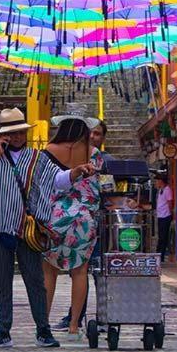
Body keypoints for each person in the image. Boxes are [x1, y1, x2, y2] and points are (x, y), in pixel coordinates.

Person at [0, 107, 94, 349]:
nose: (17, 137)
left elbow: (57, 180)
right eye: (12, 133)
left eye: (20, 132)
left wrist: (76, 172)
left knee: (35, 281)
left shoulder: (38, 157)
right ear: (3, 135)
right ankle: (2, 331)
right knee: (2, 282)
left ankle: (43, 330)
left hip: (28, 229)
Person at [42, 107, 102, 344]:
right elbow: (96, 188)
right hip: (83, 219)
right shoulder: (94, 153)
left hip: (54, 217)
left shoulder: (47, 151)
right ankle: (75, 326)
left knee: (49, 271)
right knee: (80, 272)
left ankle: (43, 322)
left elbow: (43, 185)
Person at [54, 119, 113, 333]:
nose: (93, 137)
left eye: (98, 134)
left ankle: (101, 317)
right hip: (80, 219)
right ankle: (74, 321)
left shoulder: (104, 160)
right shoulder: (85, 155)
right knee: (80, 271)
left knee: (54, 271)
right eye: (91, 133)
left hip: (75, 217)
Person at [155, 177, 173, 262]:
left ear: (161, 181)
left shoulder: (167, 190)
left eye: (157, 181)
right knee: (160, 235)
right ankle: (158, 253)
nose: (156, 183)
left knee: (164, 236)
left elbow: (169, 202)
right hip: (160, 215)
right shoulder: (160, 190)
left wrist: (170, 213)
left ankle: (161, 254)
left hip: (166, 215)